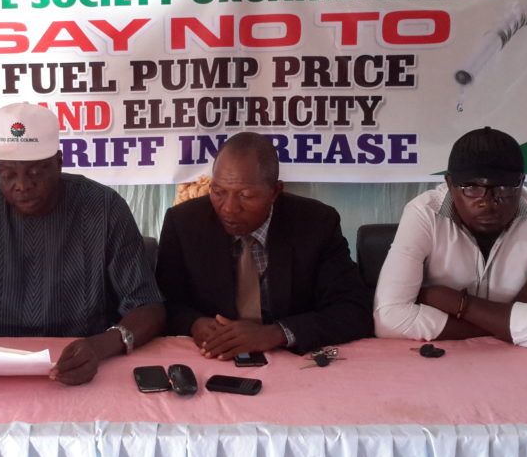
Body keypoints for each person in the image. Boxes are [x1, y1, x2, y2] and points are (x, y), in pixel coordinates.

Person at [0, 102, 165, 389]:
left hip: (83, 368)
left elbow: (147, 307)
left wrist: (99, 347)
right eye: (7, 173)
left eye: (35, 172)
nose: (21, 185)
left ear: (58, 161)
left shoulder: (104, 208)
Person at [157, 132, 373, 359]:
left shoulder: (317, 223)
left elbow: (353, 310)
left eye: (246, 195)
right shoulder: (183, 223)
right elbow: (162, 303)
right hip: (212, 359)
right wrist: (194, 324)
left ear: (275, 191)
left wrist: (277, 333)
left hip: (292, 362)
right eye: (219, 192)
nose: (229, 208)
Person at [373, 127, 527, 355]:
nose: (488, 202)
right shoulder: (424, 213)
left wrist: (459, 304)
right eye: (471, 187)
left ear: (521, 182)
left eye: (502, 187)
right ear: (450, 184)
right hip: (446, 362)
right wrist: (514, 307)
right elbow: (388, 319)